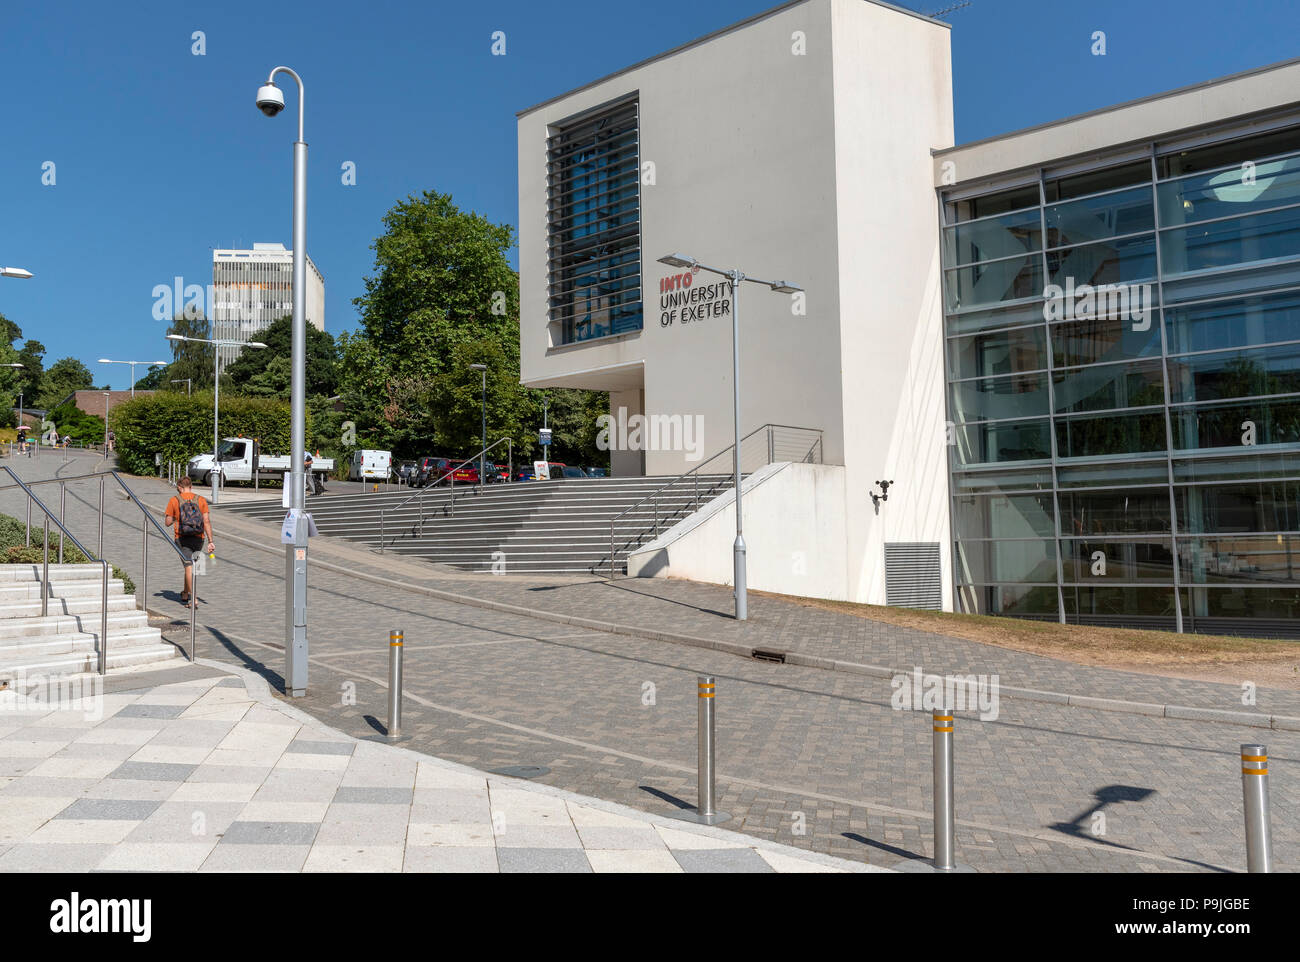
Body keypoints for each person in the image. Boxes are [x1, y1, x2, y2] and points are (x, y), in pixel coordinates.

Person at [164, 476, 214, 604]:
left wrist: (176, 517)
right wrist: (210, 541)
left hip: (182, 538)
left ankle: (194, 598)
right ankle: (185, 593)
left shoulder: (174, 500)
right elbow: (206, 521)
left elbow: (167, 522)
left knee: (188, 566)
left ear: (180, 488)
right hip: (199, 538)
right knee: (189, 567)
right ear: (191, 486)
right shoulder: (201, 500)